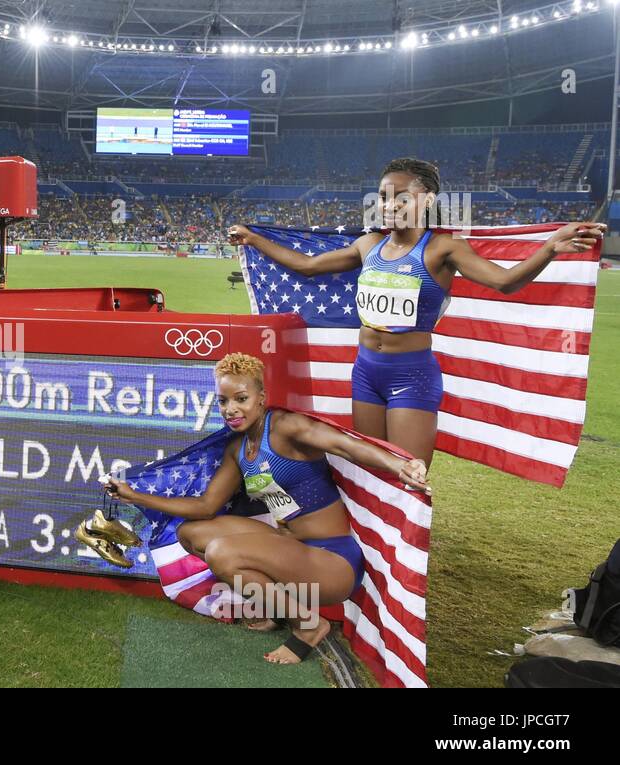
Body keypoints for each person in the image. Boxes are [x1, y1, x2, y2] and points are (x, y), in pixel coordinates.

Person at [227, 157, 607, 467]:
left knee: (409, 469)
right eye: (383, 196)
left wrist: (549, 249)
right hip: (366, 371)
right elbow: (307, 266)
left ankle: (406, 552)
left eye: (402, 197)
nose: (390, 205)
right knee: (371, 466)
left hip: (411, 375)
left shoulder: (443, 250)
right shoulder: (367, 245)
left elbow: (505, 282)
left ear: (426, 201)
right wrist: (254, 237)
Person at [93, 353, 431, 664]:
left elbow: (345, 444)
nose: (231, 409)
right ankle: (275, 607)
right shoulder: (239, 449)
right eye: (223, 401)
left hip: (331, 563)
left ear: (261, 398)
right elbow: (206, 505)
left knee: (222, 553)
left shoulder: (285, 428)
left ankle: (308, 625)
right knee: (191, 533)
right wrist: (135, 496)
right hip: (292, 551)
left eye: (241, 399)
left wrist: (397, 465)